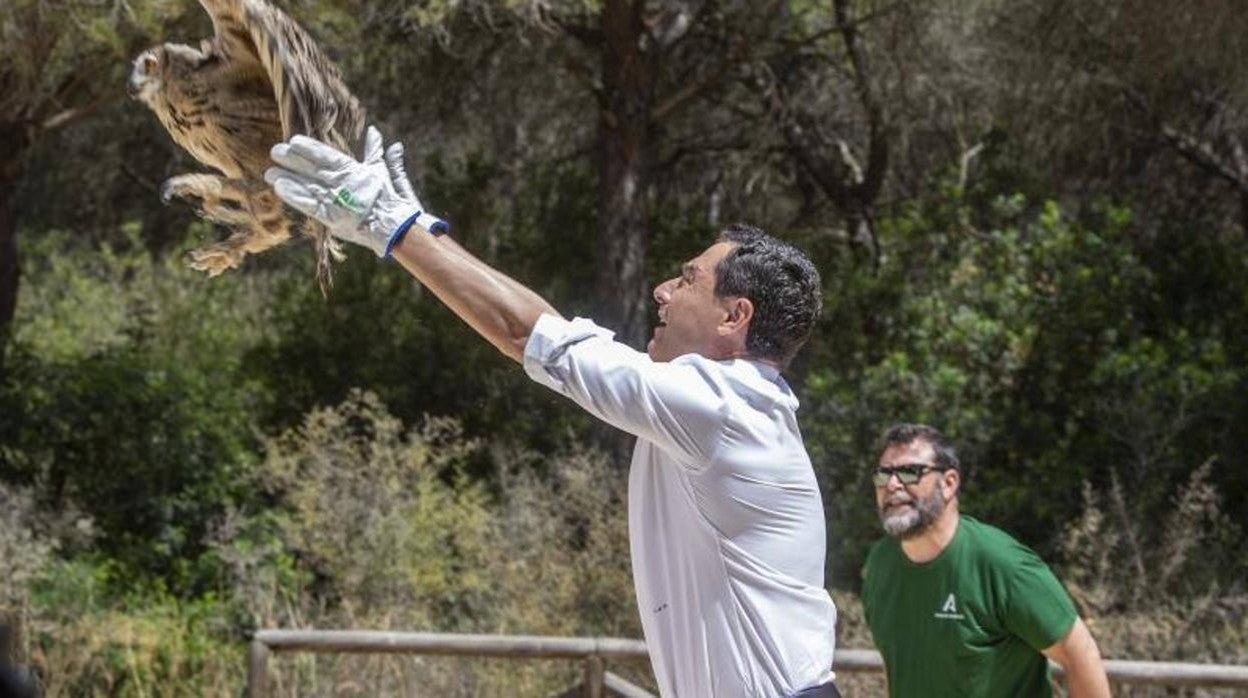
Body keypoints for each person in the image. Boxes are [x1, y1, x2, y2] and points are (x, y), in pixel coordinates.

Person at [263, 127, 840, 698]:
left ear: (734, 317)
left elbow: (530, 335)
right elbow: (538, 331)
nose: (663, 290)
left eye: (688, 279)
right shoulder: (729, 406)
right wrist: (421, 235)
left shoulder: (721, 407)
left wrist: (393, 228)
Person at [861, 423, 1111, 698]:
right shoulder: (879, 565)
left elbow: (1080, 653)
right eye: (883, 475)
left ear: (949, 483)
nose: (893, 485)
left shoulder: (1003, 563)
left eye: (909, 472)